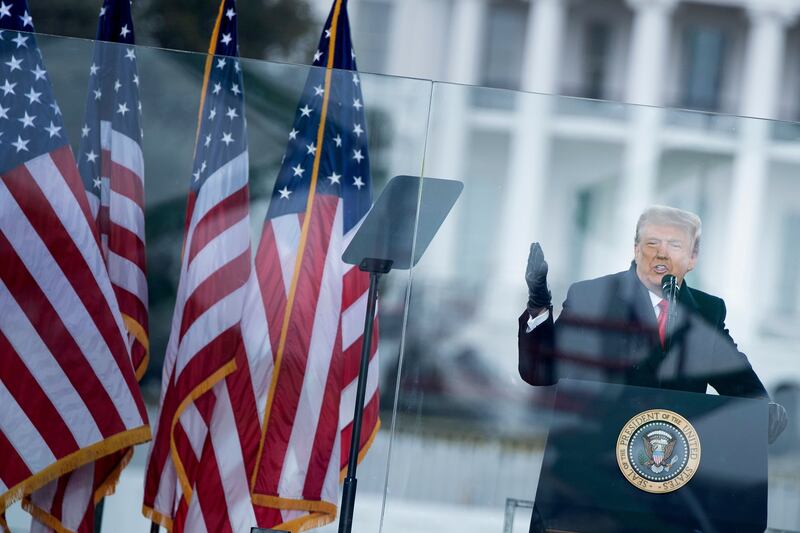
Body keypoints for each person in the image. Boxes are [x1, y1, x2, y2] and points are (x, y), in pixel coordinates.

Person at [518, 205, 787, 443]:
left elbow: (739, 383)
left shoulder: (706, 311)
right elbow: (542, 371)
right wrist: (538, 304)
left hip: (670, 473)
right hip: (594, 466)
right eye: (652, 243)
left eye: (675, 245)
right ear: (636, 249)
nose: (661, 254)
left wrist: (764, 409)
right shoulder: (592, 297)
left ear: (692, 258)